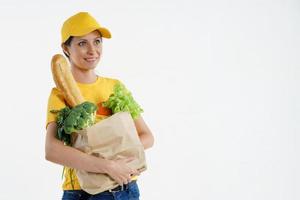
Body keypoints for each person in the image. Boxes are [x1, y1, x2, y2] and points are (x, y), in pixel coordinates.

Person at [45, 12, 154, 200]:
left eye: (97, 41)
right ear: (66, 48)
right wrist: (109, 165)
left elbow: (147, 136)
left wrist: (120, 161)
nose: (92, 50)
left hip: (119, 189)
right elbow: (52, 150)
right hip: (76, 191)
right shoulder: (60, 94)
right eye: (82, 43)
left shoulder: (114, 87)